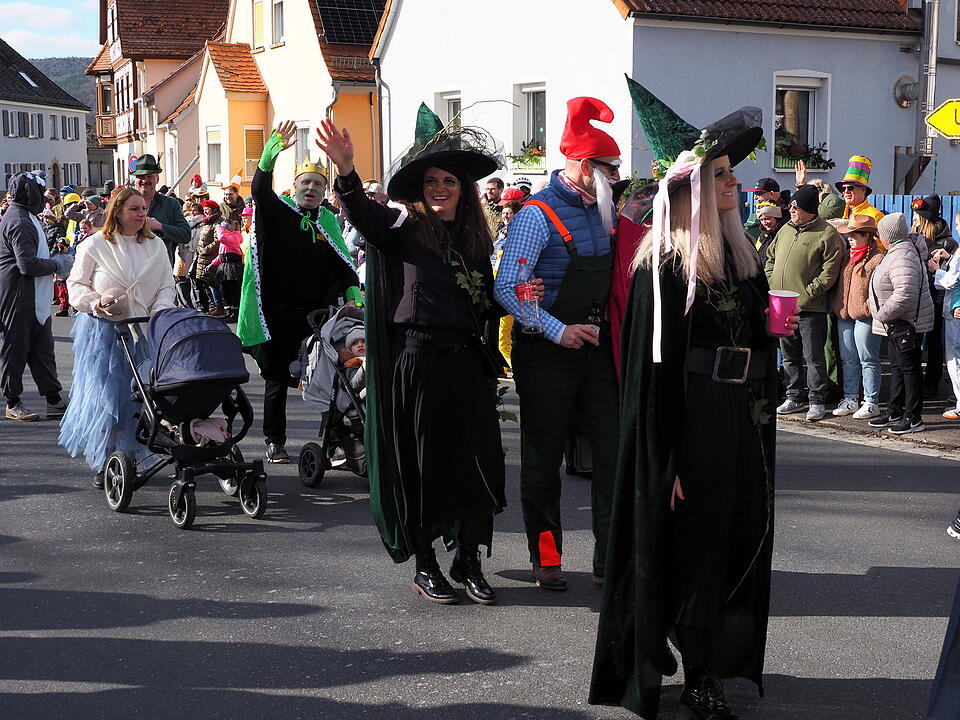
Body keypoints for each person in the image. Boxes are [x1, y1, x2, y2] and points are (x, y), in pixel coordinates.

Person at [591, 84, 782, 720]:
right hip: (692, 422)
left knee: (732, 538)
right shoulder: (662, 269)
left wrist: (768, 360)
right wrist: (664, 459)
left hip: (739, 421)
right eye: (720, 176)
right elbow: (652, 376)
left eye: (731, 174)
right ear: (689, 191)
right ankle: (698, 670)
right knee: (694, 546)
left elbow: (756, 339)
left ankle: (713, 657)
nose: (734, 185)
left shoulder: (739, 258)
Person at [317, 104, 506, 606]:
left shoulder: (475, 240)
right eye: (430, 182)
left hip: (467, 364)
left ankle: (469, 559)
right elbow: (360, 212)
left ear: (464, 188)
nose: (439, 188)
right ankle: (426, 565)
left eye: (449, 180)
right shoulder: (401, 231)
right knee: (424, 466)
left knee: (476, 463)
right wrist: (346, 170)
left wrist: (517, 295)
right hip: (417, 364)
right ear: (419, 191)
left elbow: (486, 299)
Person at [493, 97, 621, 592]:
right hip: (547, 354)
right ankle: (546, 558)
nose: (617, 178)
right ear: (587, 167)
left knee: (613, 454)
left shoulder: (605, 212)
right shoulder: (535, 215)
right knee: (543, 460)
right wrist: (557, 330)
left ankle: (607, 558)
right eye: (611, 169)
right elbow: (508, 287)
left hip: (597, 353)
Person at [238, 121, 360, 465]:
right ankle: (275, 441)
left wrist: (354, 295)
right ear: (294, 186)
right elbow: (260, 192)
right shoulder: (279, 212)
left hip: (317, 316)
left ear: (325, 191)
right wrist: (270, 152)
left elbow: (344, 266)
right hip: (278, 313)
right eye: (305, 182)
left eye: (318, 184)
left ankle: (335, 442)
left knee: (332, 378)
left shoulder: (329, 222)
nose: (311, 188)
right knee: (277, 381)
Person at [59, 187, 176, 485]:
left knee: (141, 395)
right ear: (118, 212)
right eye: (135, 209)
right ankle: (107, 458)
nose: (142, 214)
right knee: (107, 397)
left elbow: (166, 285)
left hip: (144, 331)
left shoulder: (156, 245)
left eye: (143, 209)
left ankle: (134, 453)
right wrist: (96, 303)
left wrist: (159, 311)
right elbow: (76, 286)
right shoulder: (94, 245)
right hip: (105, 332)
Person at [765, 183, 844, 421]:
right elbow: (770, 258)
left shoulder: (827, 233)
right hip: (781, 306)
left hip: (810, 309)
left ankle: (816, 401)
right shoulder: (786, 229)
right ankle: (794, 397)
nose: (791, 211)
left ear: (810, 210)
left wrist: (806, 296)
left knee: (813, 357)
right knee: (789, 355)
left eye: (796, 208)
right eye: (791, 206)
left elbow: (829, 273)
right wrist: (771, 283)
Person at [0, 172, 70, 422]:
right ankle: (12, 401)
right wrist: (56, 265)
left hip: (33, 293)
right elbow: (27, 265)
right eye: (40, 193)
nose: (43, 198)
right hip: (19, 293)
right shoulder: (18, 220)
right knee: (16, 347)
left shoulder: (24, 216)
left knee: (42, 349)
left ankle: (53, 398)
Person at [867, 212, 934, 435]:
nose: (878, 236)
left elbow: (905, 293)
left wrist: (881, 313)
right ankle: (895, 410)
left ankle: (913, 418)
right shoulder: (897, 251)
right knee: (898, 368)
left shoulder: (902, 255)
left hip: (905, 325)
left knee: (910, 370)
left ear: (890, 236)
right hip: (897, 325)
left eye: (880, 233)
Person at [829, 214, 884, 419]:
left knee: (868, 359)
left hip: (864, 316)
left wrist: (867, 307)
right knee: (847, 359)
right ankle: (850, 398)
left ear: (867, 236)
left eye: (854, 235)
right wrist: (836, 304)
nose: (849, 238)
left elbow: (880, 289)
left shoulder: (877, 259)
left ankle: (871, 401)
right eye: (849, 235)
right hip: (844, 314)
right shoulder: (845, 257)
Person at [912, 195, 957, 399]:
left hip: (938, 297)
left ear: (926, 221)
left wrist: (936, 268)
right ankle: (915, 382)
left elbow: (951, 279)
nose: (914, 222)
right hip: (920, 296)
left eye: (917, 219)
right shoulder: (915, 239)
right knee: (916, 340)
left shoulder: (947, 244)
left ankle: (932, 383)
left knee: (934, 343)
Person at [130, 154, 191, 264]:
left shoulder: (170, 204)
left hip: (161, 269)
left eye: (149, 176)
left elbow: (186, 235)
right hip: (132, 268)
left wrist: (160, 226)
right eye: (141, 177)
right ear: (135, 180)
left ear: (157, 179)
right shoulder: (124, 204)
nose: (145, 180)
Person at [934, 211, 960, 420]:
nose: (957, 229)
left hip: (956, 311)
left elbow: (951, 281)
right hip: (954, 309)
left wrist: (936, 270)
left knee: (955, 359)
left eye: (959, 224)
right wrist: (950, 257)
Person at [205, 218, 244, 322]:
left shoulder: (235, 236)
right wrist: (212, 264)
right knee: (224, 291)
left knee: (233, 290)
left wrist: (219, 227)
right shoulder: (225, 238)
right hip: (224, 267)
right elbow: (221, 255)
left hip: (233, 267)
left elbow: (222, 237)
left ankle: (236, 313)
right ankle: (229, 311)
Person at [194, 200, 224, 316]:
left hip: (211, 257)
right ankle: (215, 306)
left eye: (207, 209)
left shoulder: (217, 223)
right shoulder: (207, 222)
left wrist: (204, 250)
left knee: (213, 284)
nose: (205, 211)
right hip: (203, 258)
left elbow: (217, 241)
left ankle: (219, 307)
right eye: (204, 209)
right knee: (207, 283)